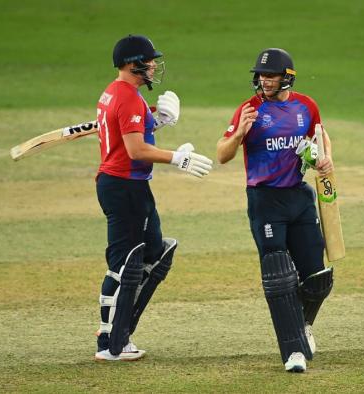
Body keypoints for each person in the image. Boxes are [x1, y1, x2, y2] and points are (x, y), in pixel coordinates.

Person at [93, 34, 213, 361]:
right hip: (124, 186)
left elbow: (130, 134)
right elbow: (135, 150)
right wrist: (177, 158)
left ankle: (120, 333)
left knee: (155, 252)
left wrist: (157, 121)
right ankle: (108, 343)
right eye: (149, 61)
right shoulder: (127, 98)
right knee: (124, 264)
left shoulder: (114, 93)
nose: (154, 65)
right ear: (134, 64)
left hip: (126, 185)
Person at [216, 48, 335, 373]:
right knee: (279, 275)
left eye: (270, 75)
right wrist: (240, 132)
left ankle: (302, 326)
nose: (264, 81)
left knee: (318, 277)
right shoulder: (249, 109)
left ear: (287, 77)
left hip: (299, 197)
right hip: (264, 200)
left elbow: (321, 139)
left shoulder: (306, 106)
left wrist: (325, 159)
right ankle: (293, 352)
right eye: (261, 75)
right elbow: (222, 154)